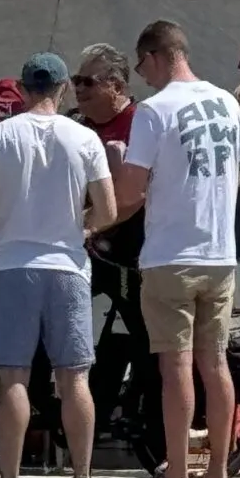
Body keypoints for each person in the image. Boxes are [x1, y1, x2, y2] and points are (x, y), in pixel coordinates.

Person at [0, 53, 116, 478]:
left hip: (13, 266)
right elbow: (109, 209)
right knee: (75, 377)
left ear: (25, 90)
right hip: (68, 266)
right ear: (63, 88)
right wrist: (83, 228)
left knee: (13, 377)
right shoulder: (85, 137)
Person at [113, 20, 240, 478]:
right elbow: (236, 171)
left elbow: (130, 192)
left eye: (141, 65)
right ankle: (218, 474)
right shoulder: (228, 103)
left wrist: (104, 192)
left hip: (171, 252)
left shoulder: (154, 110)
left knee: (175, 368)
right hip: (219, 251)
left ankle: (175, 477)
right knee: (215, 364)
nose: (141, 75)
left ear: (156, 56)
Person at [72, 44, 147, 440]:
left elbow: (134, 196)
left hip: (130, 250)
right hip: (84, 246)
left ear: (117, 86)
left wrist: (89, 225)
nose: (79, 89)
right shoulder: (75, 124)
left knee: (141, 336)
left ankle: (137, 412)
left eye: (88, 82)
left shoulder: (141, 122)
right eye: (76, 81)